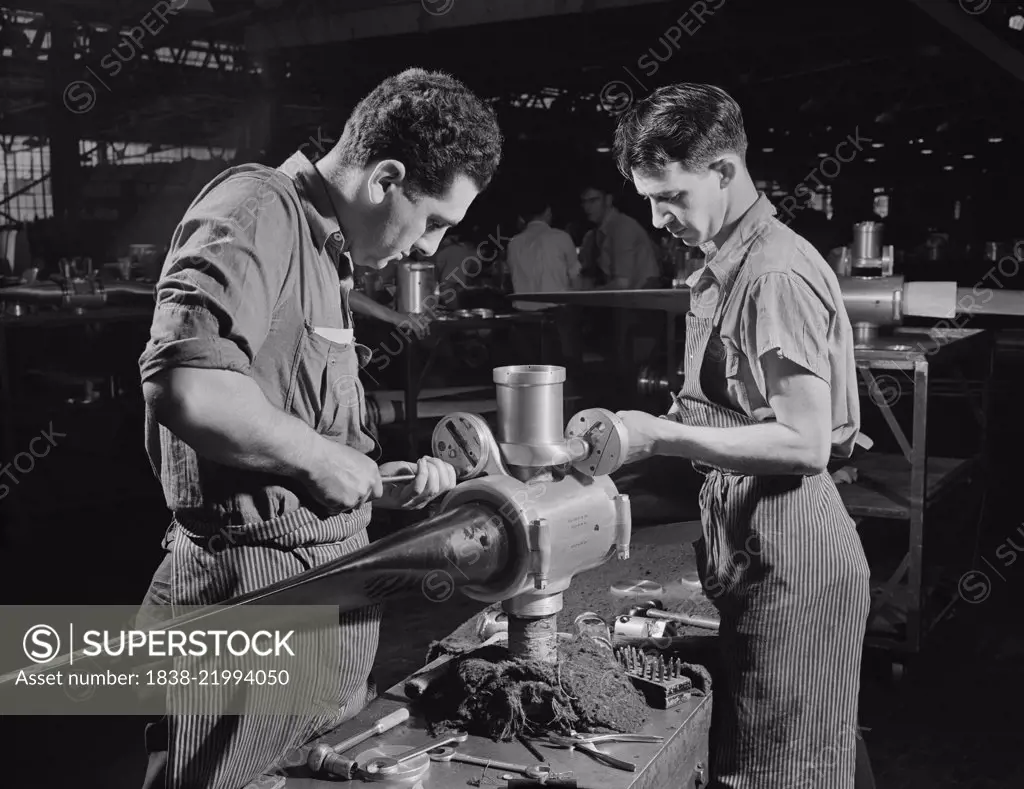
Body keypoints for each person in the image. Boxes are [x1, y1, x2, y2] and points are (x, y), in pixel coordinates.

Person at [135, 68, 502, 789]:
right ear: (386, 177)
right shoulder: (256, 209)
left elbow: (287, 424)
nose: (428, 248)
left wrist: (376, 484)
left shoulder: (325, 252)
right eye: (432, 221)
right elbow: (187, 387)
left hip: (320, 599)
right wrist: (321, 461)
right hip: (252, 597)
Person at [611, 83, 872, 789]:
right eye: (648, 200)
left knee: (778, 771)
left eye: (671, 197)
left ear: (724, 171)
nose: (659, 218)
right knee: (773, 754)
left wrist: (659, 435)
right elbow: (717, 412)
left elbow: (803, 442)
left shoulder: (773, 274)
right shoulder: (722, 269)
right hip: (755, 544)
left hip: (796, 554)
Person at [505, 196, 583, 371]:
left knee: (530, 371)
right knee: (564, 370)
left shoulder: (514, 243)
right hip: (558, 313)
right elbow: (576, 278)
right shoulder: (561, 237)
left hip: (523, 314)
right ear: (548, 212)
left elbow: (510, 278)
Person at [578, 182, 660, 290]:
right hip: (627, 299)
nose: (587, 207)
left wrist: (589, 295)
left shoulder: (622, 227)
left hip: (641, 300)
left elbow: (622, 284)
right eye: (584, 202)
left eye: (593, 201)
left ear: (608, 200)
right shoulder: (593, 235)